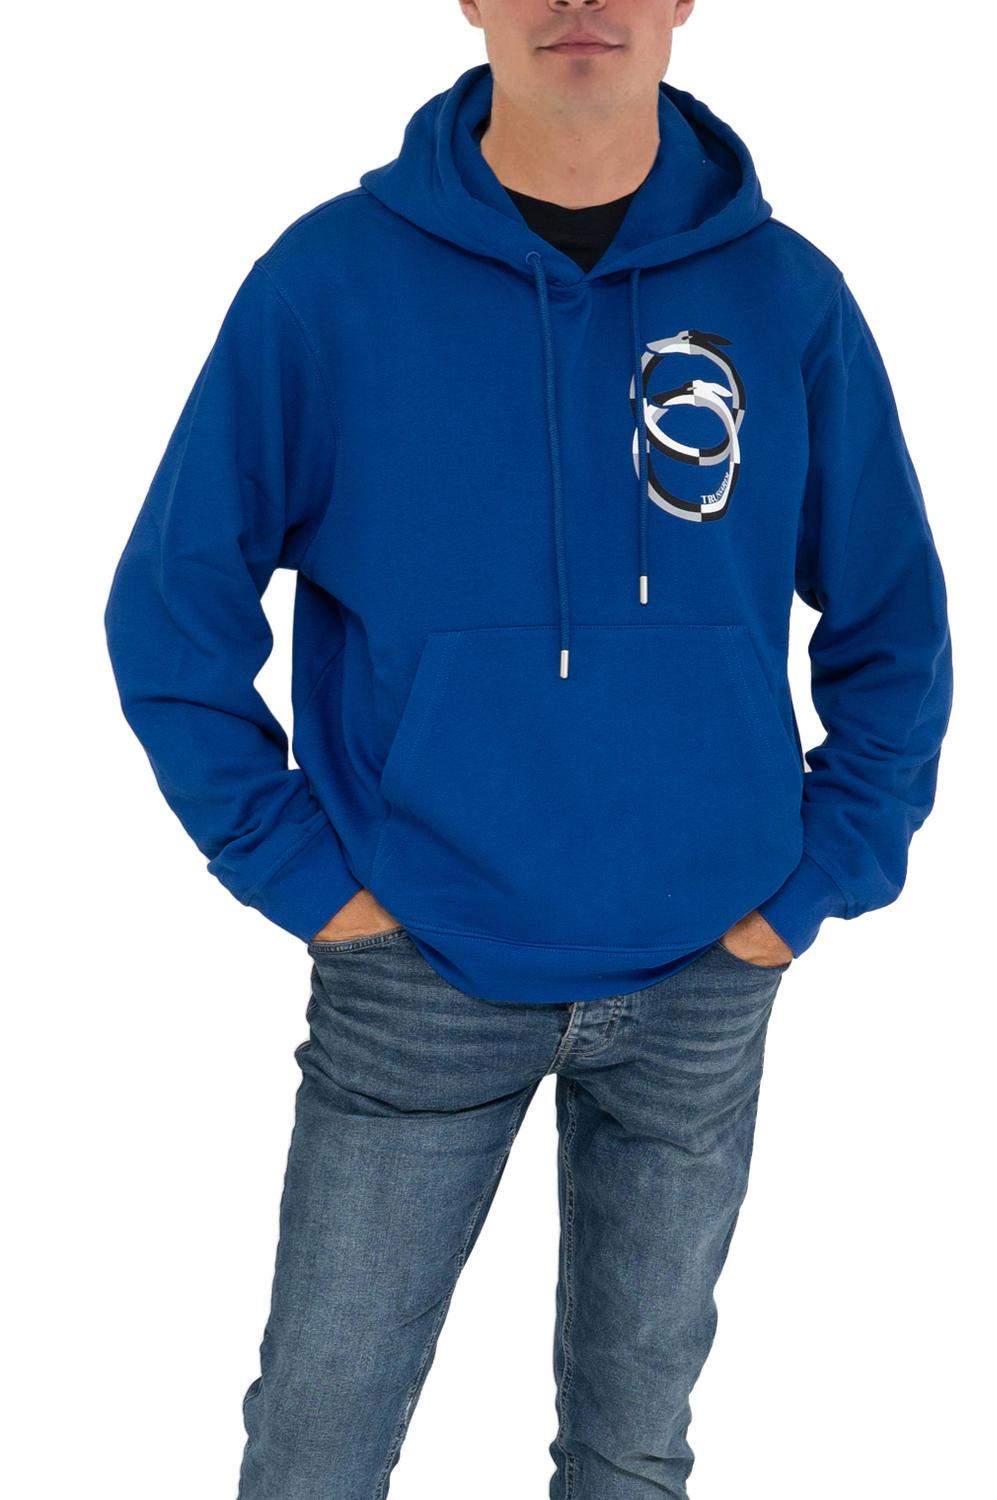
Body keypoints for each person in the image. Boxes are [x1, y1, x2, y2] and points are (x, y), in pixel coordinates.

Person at [103, 2, 954, 1494]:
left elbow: (894, 623)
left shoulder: (785, 297)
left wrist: (812, 884)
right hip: (420, 968)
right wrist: (310, 885)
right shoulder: (329, 285)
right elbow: (170, 616)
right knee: (316, 1450)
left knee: (631, 1457)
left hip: (705, 970)